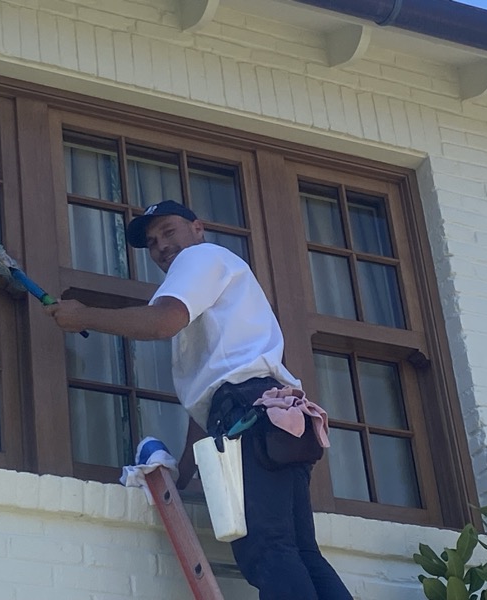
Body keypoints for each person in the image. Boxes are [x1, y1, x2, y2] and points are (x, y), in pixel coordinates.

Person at [46, 200, 352, 600]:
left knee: (267, 550)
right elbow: (207, 403)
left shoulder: (200, 259)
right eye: (153, 242)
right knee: (299, 551)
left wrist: (84, 315)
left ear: (197, 228)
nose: (161, 246)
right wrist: (184, 476)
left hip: (251, 414)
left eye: (169, 231)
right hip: (269, 417)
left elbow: (162, 322)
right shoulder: (211, 290)